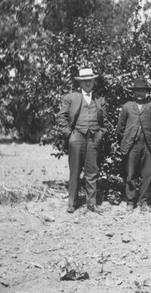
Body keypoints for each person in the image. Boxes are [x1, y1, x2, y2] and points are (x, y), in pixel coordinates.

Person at [56, 68, 109, 214]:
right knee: (75, 171)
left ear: (94, 81)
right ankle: (72, 203)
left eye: (90, 80)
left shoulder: (99, 99)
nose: (87, 83)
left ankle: (91, 203)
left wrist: (100, 134)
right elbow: (61, 117)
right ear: (80, 82)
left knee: (92, 172)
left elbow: (105, 121)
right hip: (77, 136)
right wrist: (69, 134)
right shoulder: (71, 97)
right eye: (85, 80)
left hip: (93, 138)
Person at [116, 79, 151, 212]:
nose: (140, 93)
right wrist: (127, 140)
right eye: (137, 91)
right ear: (133, 93)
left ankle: (143, 201)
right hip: (132, 144)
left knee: (147, 173)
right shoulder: (127, 106)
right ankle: (130, 200)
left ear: (146, 92)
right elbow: (120, 128)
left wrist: (148, 138)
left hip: (147, 144)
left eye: (142, 91)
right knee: (131, 173)